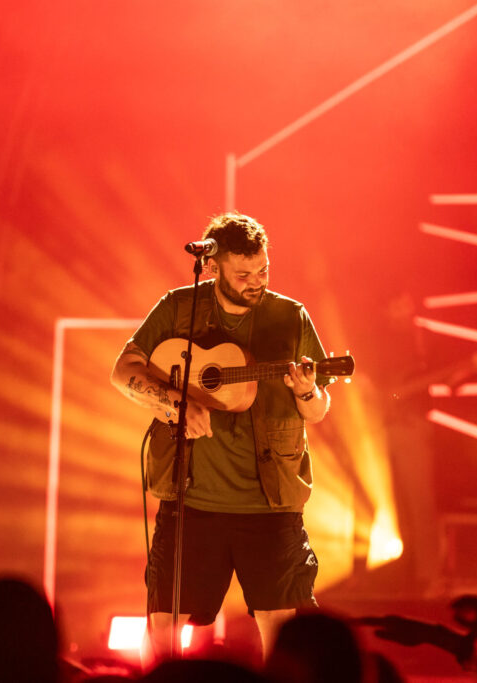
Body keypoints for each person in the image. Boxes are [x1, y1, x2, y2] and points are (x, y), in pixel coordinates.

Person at [110, 213, 333, 661]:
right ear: (212, 268)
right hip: (190, 501)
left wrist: (307, 390)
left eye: (263, 270)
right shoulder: (179, 308)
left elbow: (318, 409)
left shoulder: (289, 317)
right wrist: (178, 403)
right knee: (164, 627)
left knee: (284, 636)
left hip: (269, 506)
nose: (257, 282)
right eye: (243, 275)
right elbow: (123, 372)